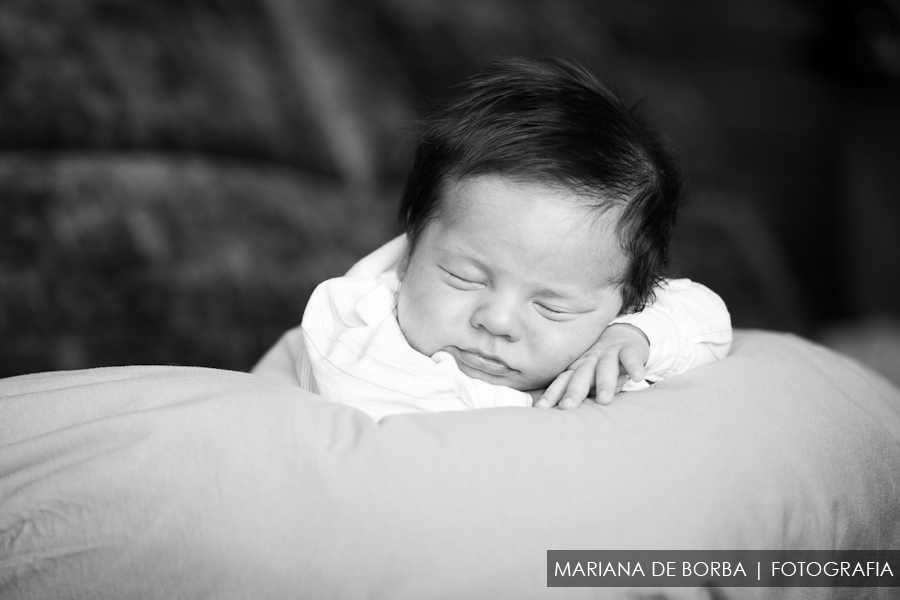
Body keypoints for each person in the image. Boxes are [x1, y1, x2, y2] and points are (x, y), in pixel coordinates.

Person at [253, 58, 732, 422]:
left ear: (625, 304)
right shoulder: (355, 338)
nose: (497, 322)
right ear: (410, 249)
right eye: (464, 278)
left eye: (553, 307)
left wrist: (633, 338)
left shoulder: (618, 333)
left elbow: (706, 318)